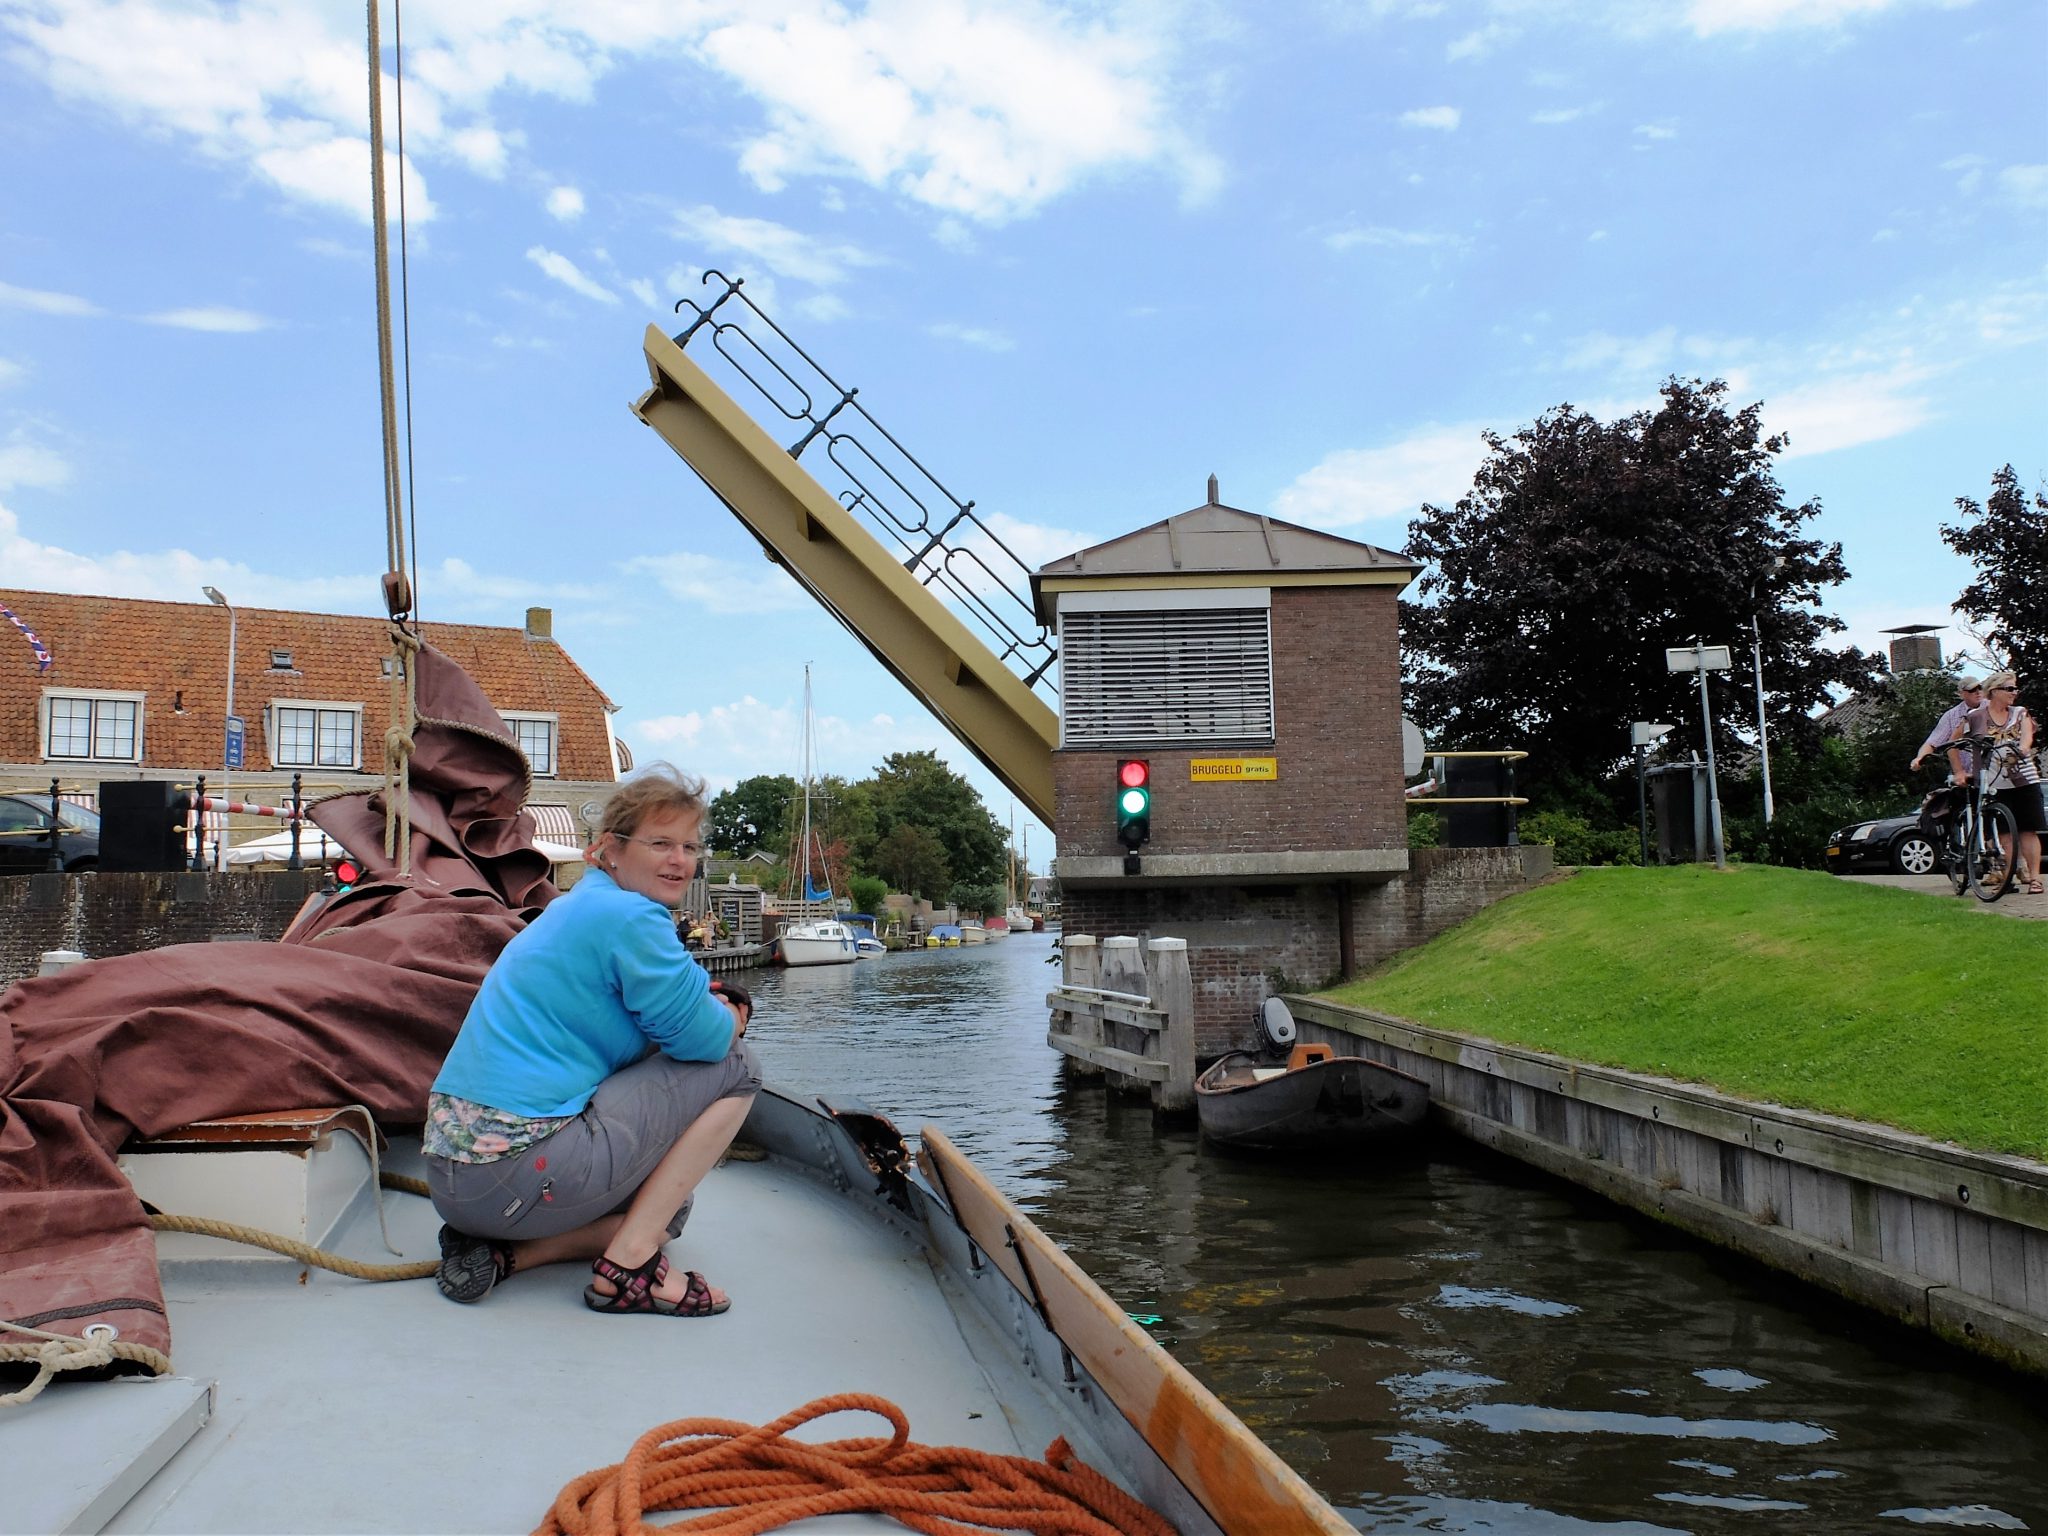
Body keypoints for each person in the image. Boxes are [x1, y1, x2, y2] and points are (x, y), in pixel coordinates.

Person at [423, 764, 761, 1314]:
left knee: (665, 1209)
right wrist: (730, 1020)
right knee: (739, 1065)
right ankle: (628, 1268)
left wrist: (706, 1001)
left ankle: (505, 1257)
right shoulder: (631, 917)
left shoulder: (575, 906)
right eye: (660, 843)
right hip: (513, 1177)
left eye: (690, 846)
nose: (679, 860)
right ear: (611, 848)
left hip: (457, 1184)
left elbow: (668, 1004)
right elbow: (703, 1042)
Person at [1951, 673, 2044, 896]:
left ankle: (2035, 879)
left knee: (2028, 831)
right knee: (2005, 834)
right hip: (1993, 782)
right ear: (1994, 691)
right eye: (2009, 689)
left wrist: (2022, 749)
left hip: (2024, 778)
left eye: (2015, 689)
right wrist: (1959, 772)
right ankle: (2009, 875)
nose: (2014, 693)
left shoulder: (2020, 713)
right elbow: (1953, 744)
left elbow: (2027, 737)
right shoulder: (1975, 717)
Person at [1911, 676, 1983, 775]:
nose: (1978, 692)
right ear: (1961, 694)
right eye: (1972, 690)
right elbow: (1933, 742)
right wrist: (1920, 759)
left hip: (1995, 772)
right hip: (1966, 776)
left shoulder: (1991, 707)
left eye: (1980, 688)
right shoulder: (1951, 715)